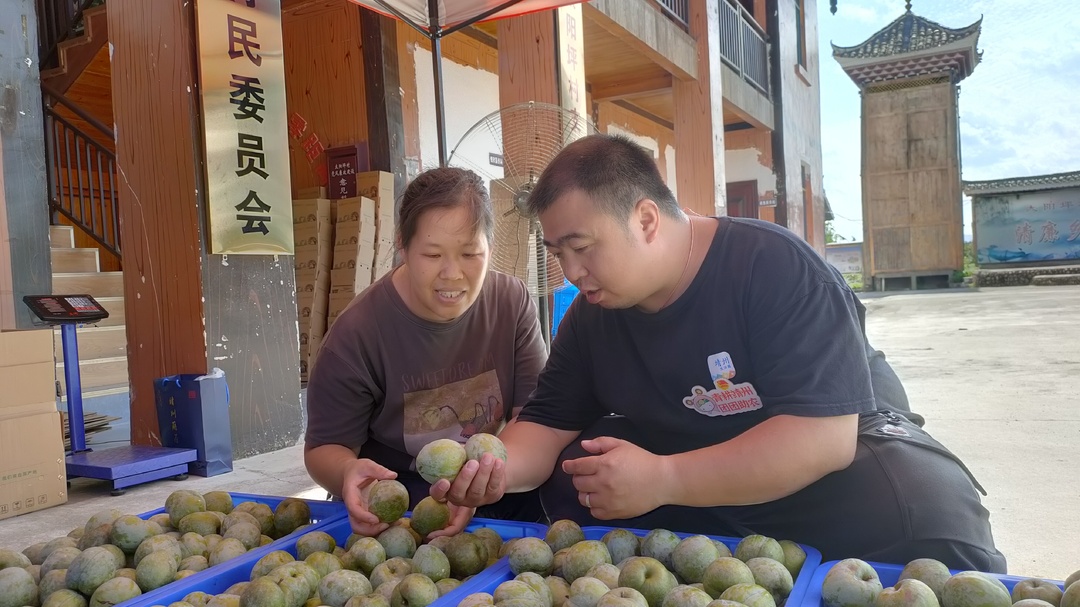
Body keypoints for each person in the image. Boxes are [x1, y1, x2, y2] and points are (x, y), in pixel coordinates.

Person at [432, 134, 1007, 572]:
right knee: (572, 472)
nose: (571, 271)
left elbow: (822, 438)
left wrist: (664, 479)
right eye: (558, 252)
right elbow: (545, 424)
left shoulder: (772, 268)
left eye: (582, 247)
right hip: (696, 478)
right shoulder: (592, 315)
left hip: (827, 469)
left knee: (919, 505)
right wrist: (490, 473)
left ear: (647, 219)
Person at [304, 166, 548, 538]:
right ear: (403, 245)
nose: (452, 275)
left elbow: (532, 419)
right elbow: (325, 447)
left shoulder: (511, 303)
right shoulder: (358, 334)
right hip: (397, 510)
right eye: (432, 256)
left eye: (470, 253)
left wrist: (486, 480)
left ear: (490, 248)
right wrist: (347, 474)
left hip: (492, 493)